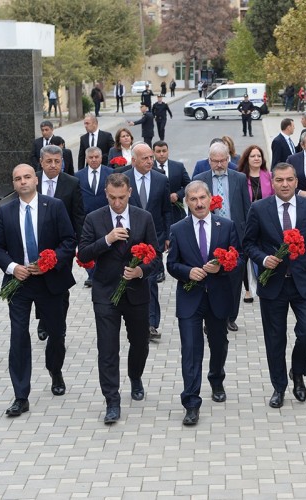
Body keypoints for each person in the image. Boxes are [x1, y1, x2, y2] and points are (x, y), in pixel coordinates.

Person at [243, 162, 306, 409]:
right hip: (272, 284)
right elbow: (248, 243)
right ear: (272, 182)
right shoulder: (259, 208)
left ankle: (298, 371)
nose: (285, 184)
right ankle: (279, 387)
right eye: (280, 180)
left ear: (296, 181)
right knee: (275, 339)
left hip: (304, 282)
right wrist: (263, 258)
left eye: (289, 180)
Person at [0, 164, 76, 417]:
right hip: (19, 283)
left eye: (27, 177)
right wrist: (13, 267)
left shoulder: (55, 206)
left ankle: (55, 370)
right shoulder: (5, 211)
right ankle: (20, 394)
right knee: (18, 336)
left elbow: (69, 241)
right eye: (17, 179)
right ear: (14, 184)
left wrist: (50, 262)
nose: (23, 182)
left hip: (50, 281)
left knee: (56, 333)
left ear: (36, 180)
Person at [77, 173, 158, 424]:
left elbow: (155, 258)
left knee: (140, 343)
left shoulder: (144, 218)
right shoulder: (94, 218)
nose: (117, 203)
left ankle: (135, 376)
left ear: (130, 193)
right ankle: (112, 400)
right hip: (105, 292)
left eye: (122, 198)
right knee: (108, 349)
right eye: (112, 198)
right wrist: (107, 239)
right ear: (106, 193)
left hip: (136, 293)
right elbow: (84, 253)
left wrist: (140, 271)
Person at [166, 180, 243, 426]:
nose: (198, 203)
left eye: (202, 198)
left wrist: (223, 265)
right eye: (193, 199)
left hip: (218, 296)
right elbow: (171, 264)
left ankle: (217, 377)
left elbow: (238, 259)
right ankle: (191, 401)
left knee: (218, 344)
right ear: (186, 202)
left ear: (211, 198)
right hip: (190, 298)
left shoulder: (226, 226)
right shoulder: (178, 229)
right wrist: (188, 272)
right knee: (190, 349)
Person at [194, 142, 251, 332]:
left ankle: (230, 317)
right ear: (209, 160)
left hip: (234, 236)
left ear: (228, 159)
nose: (219, 165)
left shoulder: (240, 178)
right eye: (215, 161)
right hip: (208, 235)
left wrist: (248, 235)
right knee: (210, 278)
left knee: (234, 278)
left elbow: (247, 208)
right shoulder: (200, 180)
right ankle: (210, 316)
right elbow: (193, 210)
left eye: (222, 161)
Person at [34, 145, 85, 341]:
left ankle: (59, 324)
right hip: (37, 244)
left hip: (63, 246)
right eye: (49, 161)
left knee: (60, 288)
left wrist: (82, 246)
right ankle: (44, 321)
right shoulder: (33, 180)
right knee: (40, 285)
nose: (54, 165)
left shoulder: (71, 183)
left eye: (57, 161)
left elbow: (78, 216)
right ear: (41, 162)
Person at [125, 144, 173, 341]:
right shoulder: (124, 179)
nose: (149, 161)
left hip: (154, 239)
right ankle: (135, 320)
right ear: (134, 160)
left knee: (151, 280)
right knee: (131, 280)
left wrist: (168, 235)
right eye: (144, 158)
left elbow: (166, 210)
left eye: (151, 157)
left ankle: (151, 324)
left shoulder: (161, 180)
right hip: (128, 240)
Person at [236, 145, 273, 302]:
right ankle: (247, 290)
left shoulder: (269, 176)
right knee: (245, 254)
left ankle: (264, 281)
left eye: (259, 155)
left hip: (265, 221)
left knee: (264, 252)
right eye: (253, 156)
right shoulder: (240, 178)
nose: (257, 158)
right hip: (247, 221)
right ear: (247, 159)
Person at [75, 147, 113, 287]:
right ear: (86, 159)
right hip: (86, 219)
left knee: (104, 245)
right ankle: (92, 275)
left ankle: (104, 272)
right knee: (87, 247)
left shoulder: (110, 173)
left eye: (96, 157)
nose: (94, 159)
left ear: (101, 158)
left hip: (105, 217)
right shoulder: (78, 176)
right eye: (90, 157)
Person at [153, 140, 191, 224]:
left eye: (164, 151)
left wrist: (178, 194)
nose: (161, 154)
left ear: (168, 151)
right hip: (156, 213)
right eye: (158, 151)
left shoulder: (178, 167)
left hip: (176, 212)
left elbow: (189, 185)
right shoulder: (150, 168)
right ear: (153, 153)